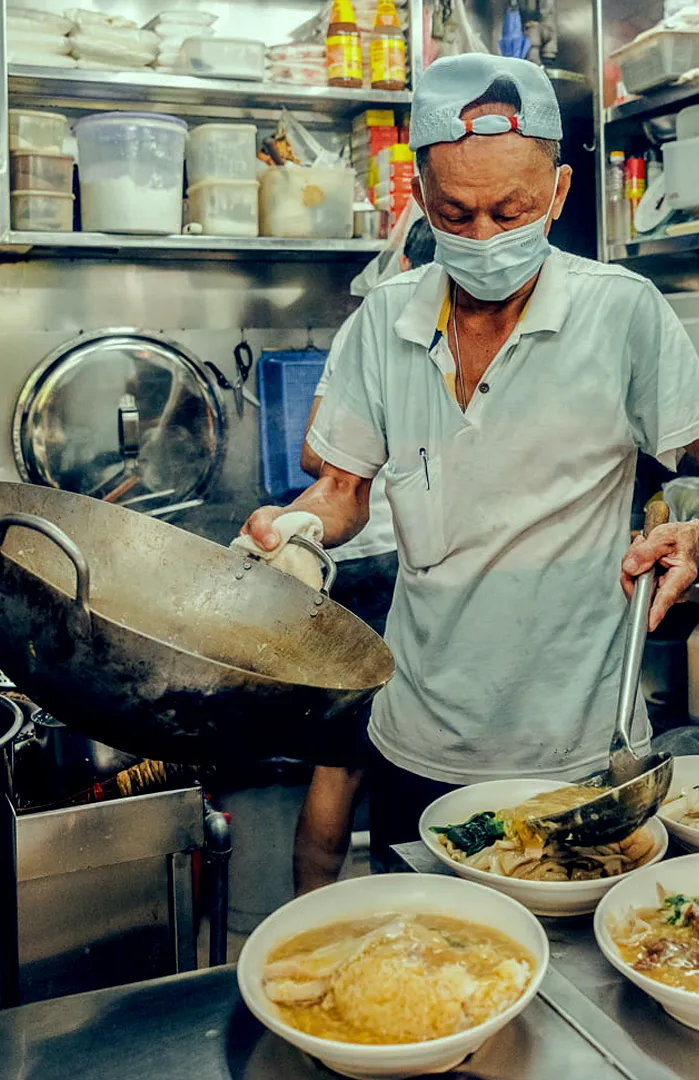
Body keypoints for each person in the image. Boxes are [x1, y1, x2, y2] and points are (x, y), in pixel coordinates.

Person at [244, 54, 699, 865]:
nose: (484, 236)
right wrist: (293, 532)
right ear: (421, 199)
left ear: (557, 194)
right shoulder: (380, 324)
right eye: (456, 214)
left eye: (510, 210)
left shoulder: (620, 312)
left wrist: (696, 537)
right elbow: (342, 491)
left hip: (581, 751)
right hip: (419, 742)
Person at [293, 216, 434, 894]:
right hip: (371, 563)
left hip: (416, 566)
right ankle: (315, 918)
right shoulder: (376, 323)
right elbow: (317, 455)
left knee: (359, 756)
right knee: (344, 756)